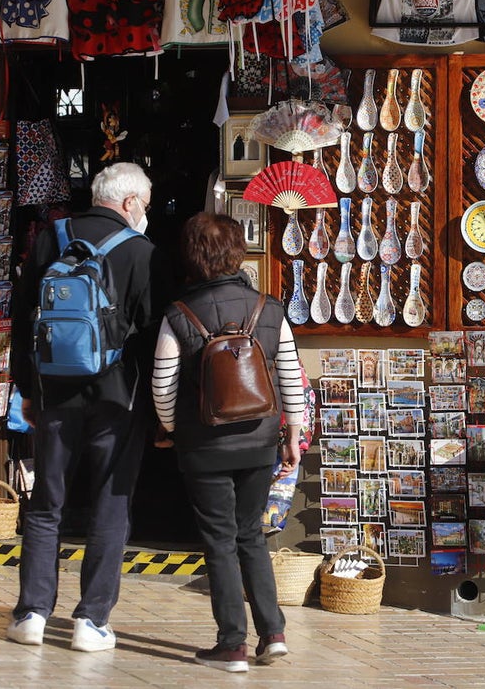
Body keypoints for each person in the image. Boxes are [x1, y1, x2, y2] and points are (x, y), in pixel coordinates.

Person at [6, 162, 171, 652]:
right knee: (110, 505)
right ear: (128, 203)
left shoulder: (51, 238)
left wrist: (27, 389)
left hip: (56, 391)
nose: (145, 211)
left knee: (45, 502)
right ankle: (91, 621)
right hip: (120, 397)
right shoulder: (144, 253)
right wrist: (162, 410)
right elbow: (155, 336)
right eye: (144, 202)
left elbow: (22, 318)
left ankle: (32, 613)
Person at [152, 212, 305, 674]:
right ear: (236, 252)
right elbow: (292, 379)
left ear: (192, 256)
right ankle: (273, 634)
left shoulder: (179, 314)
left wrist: (175, 431)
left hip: (204, 446)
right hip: (260, 440)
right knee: (251, 535)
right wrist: (292, 436)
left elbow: (163, 386)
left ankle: (232, 644)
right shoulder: (270, 308)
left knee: (219, 541)